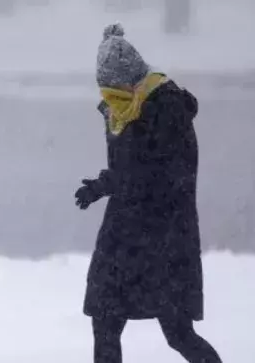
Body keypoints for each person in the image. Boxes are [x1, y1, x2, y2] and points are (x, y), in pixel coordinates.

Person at [74, 24, 222, 363]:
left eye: (113, 89)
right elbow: (131, 167)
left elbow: (158, 174)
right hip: (124, 235)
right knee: (105, 324)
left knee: (178, 333)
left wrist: (108, 184)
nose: (108, 99)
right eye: (105, 90)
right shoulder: (121, 108)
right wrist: (103, 186)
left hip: (164, 239)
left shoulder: (168, 108)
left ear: (131, 80)